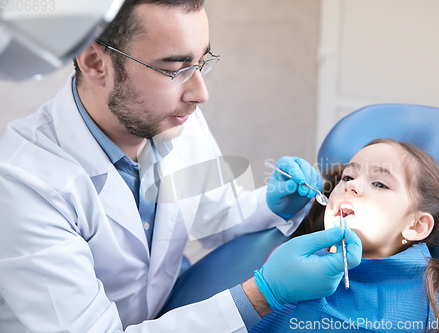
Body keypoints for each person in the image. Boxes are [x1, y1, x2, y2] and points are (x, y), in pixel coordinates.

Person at [0, 0, 362, 332]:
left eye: (202, 62)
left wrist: (268, 205)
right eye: (175, 68)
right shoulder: (23, 182)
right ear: (96, 63)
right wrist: (263, 296)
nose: (200, 93)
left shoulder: (172, 119)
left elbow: (212, 214)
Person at [250, 139, 439, 333]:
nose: (351, 186)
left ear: (416, 225)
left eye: (380, 184)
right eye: (348, 176)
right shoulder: (287, 267)